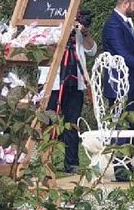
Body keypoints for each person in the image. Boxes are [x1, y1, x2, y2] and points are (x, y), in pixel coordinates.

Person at [39, 12, 96, 174]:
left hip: (75, 80)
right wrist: (62, 31)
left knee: (72, 123)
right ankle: (45, 160)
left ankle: (72, 163)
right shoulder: (48, 23)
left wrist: (84, 32)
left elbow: (91, 51)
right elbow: (45, 47)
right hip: (53, 81)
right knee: (49, 122)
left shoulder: (78, 29)